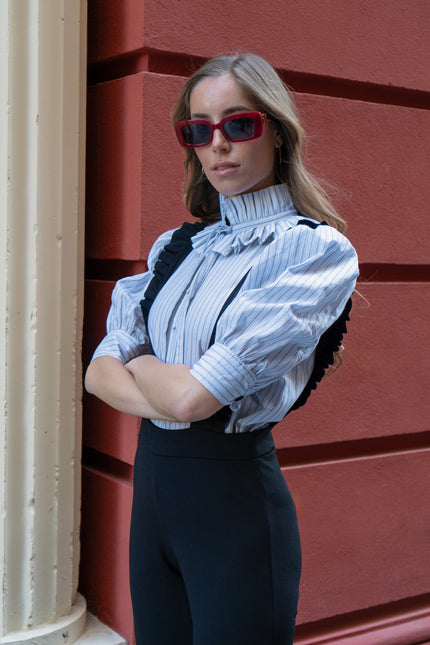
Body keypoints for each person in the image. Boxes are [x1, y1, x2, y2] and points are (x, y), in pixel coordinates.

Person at [85, 53, 359, 645]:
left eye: (238, 124)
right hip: (154, 492)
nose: (218, 145)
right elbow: (96, 376)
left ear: (277, 132)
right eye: (198, 130)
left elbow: (190, 401)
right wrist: (158, 377)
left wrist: (137, 359)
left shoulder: (312, 251)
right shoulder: (177, 248)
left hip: (232, 502)